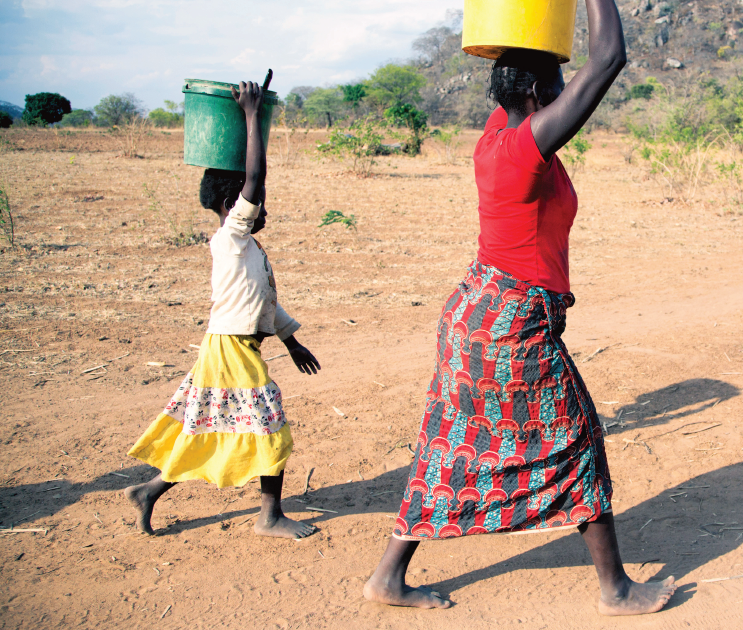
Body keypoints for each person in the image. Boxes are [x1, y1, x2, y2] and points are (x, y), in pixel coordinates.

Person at [363, 0, 676, 616]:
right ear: (537, 90)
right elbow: (608, 57)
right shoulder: (519, 151)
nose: (567, 90)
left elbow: (541, 70)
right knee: (577, 438)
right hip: (511, 325)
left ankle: (387, 579)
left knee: (451, 445)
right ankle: (615, 591)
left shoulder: (498, 134)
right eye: (557, 80)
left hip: (478, 315)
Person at [124, 80, 322, 540]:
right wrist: (252, 114)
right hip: (230, 348)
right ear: (233, 204)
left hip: (232, 346)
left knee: (213, 426)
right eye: (256, 201)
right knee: (270, 430)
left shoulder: (248, 246)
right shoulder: (231, 238)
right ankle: (269, 518)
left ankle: (150, 491)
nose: (262, 207)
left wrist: (291, 340)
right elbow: (254, 178)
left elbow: (263, 302)